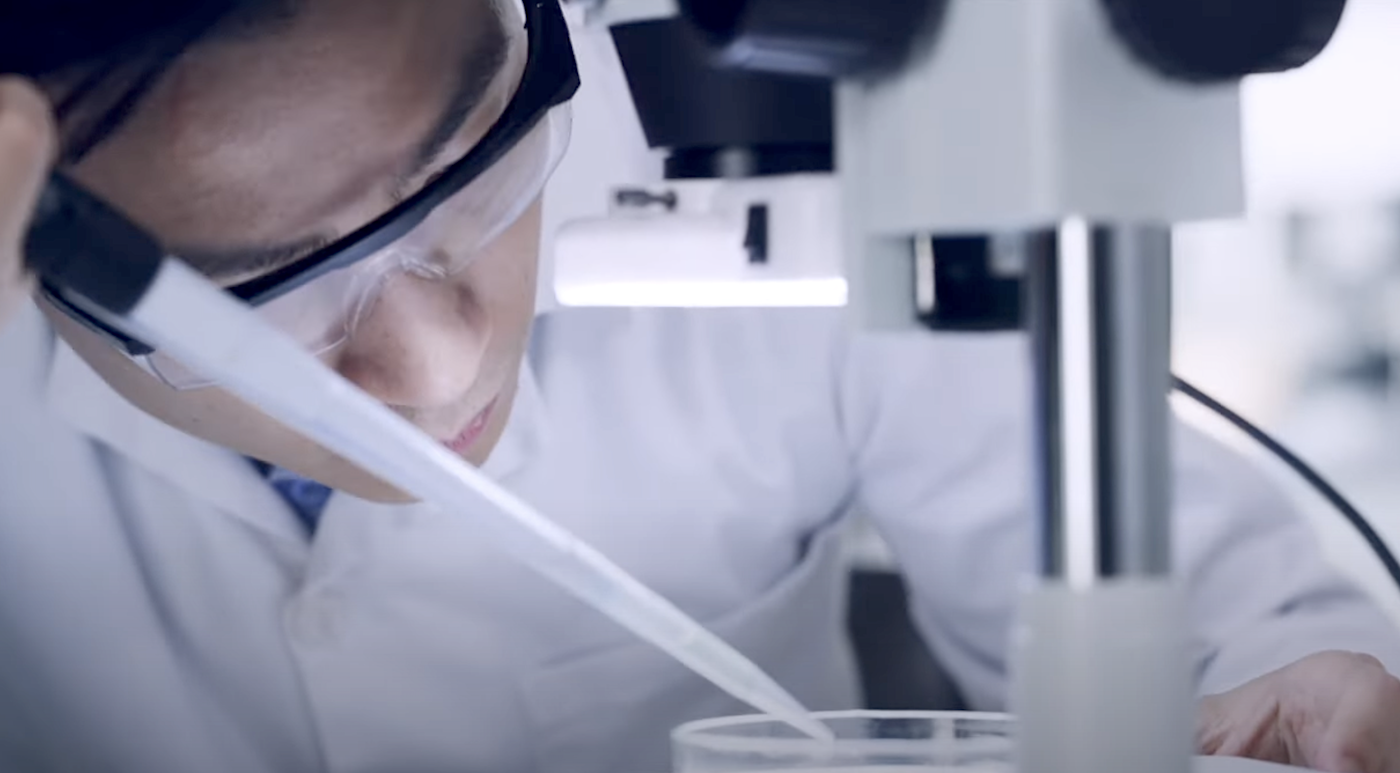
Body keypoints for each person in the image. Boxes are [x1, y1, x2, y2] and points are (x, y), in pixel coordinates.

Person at [2, 2, 1399, 772]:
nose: (438, 364)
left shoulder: (781, 187)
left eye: (467, 165)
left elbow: (1246, 654)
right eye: (262, 286)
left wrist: (1305, 706)